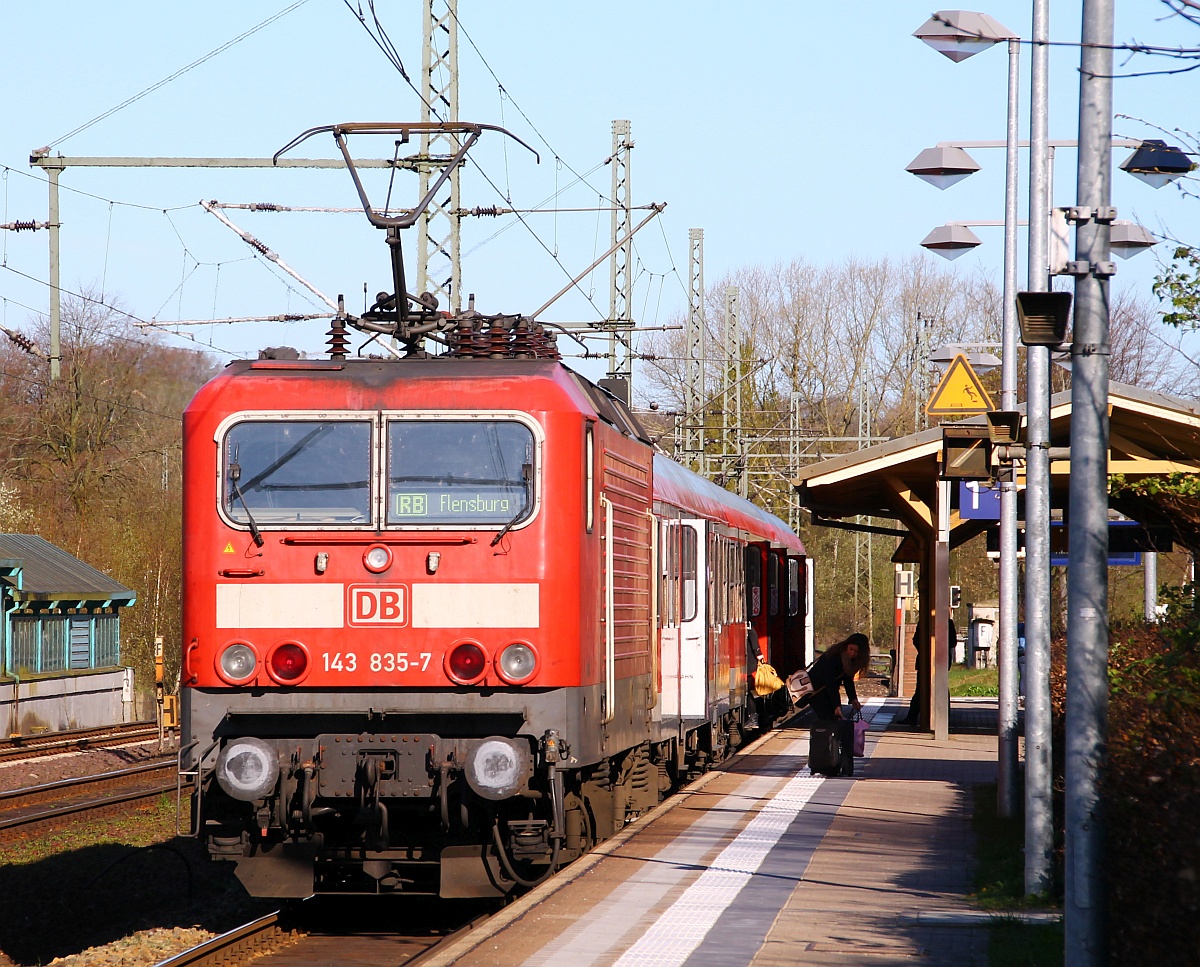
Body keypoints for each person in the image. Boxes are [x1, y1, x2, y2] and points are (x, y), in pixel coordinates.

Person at [805, 633, 870, 720]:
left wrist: (853, 698)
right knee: (828, 718)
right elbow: (829, 680)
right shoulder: (834, 655)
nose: (852, 653)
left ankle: (828, 731)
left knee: (833, 718)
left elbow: (848, 680)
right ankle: (821, 732)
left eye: (856, 652)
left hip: (827, 689)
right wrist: (836, 705)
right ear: (846, 646)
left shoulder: (851, 660)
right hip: (817, 689)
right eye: (851, 649)